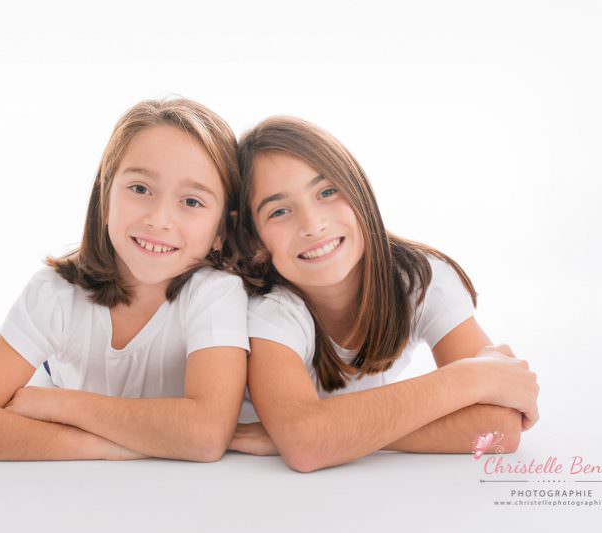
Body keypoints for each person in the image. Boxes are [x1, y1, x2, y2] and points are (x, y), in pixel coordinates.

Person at [0, 98, 249, 462]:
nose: (158, 219)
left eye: (192, 202)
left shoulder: (217, 293)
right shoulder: (55, 293)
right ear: (105, 197)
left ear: (221, 231)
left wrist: (61, 405)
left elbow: (205, 435)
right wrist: (123, 446)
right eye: (140, 189)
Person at [227, 116, 540, 472]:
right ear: (253, 239)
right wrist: (472, 378)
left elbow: (500, 427)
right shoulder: (269, 308)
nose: (313, 225)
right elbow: (306, 444)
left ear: (359, 189)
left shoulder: (421, 280)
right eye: (279, 211)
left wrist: (334, 435)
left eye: (327, 192)